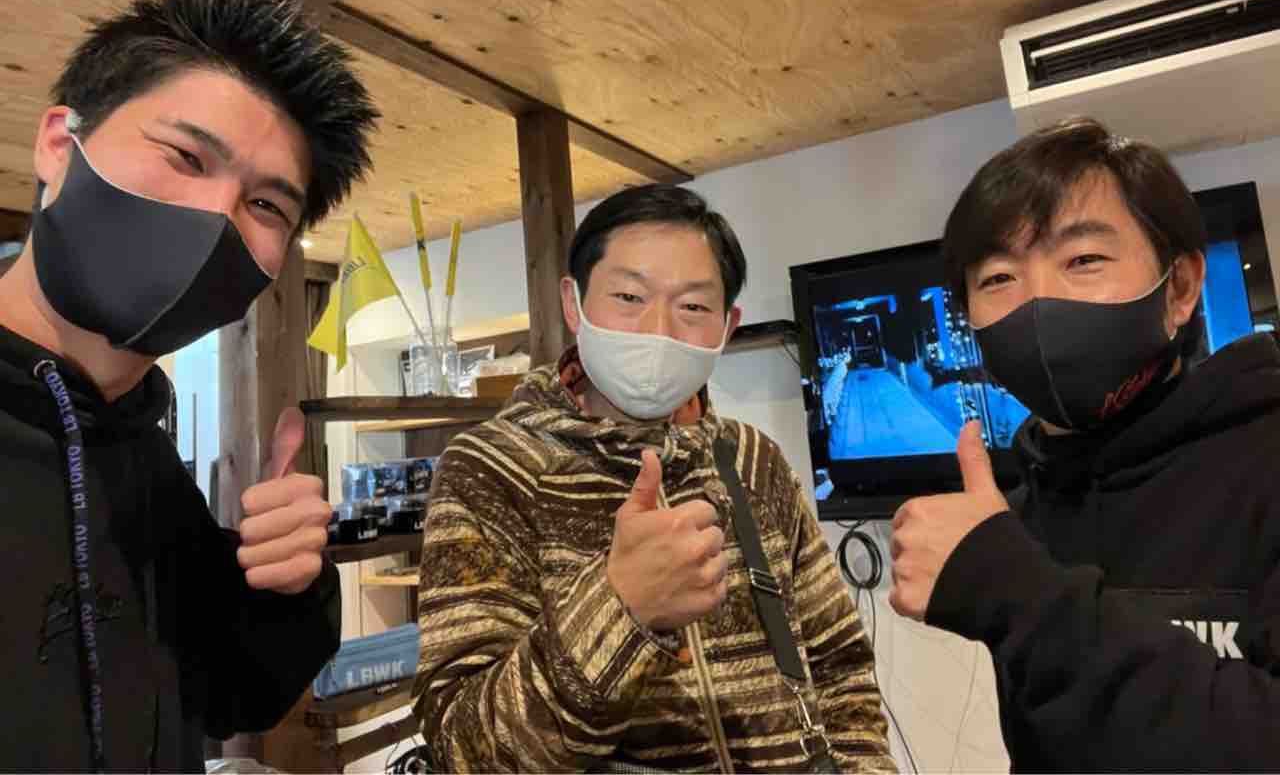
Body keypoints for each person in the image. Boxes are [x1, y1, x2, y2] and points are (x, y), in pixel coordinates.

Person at [0, 0, 379, 771]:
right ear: (59, 144)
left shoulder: (142, 450)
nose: (217, 218)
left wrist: (288, 585)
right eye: (185, 156)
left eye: (267, 206)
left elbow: (230, 696)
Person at [413, 185, 894, 773]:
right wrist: (621, 609)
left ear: (726, 325)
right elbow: (463, 748)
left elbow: (841, 669)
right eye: (628, 296)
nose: (658, 329)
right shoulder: (490, 469)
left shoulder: (751, 460)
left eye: (692, 307)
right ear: (574, 303)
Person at [888, 117, 1280, 770]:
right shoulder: (1022, 511)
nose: (1038, 303)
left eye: (1083, 260)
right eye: (998, 278)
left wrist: (1016, 593)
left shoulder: (1264, 458)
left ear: (1181, 287)